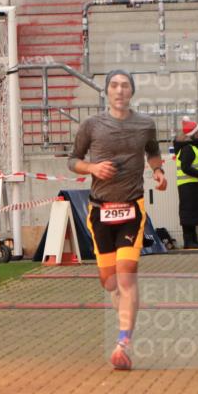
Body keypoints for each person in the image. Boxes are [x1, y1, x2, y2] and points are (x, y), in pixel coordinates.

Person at [68, 69, 166, 371]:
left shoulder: (145, 124)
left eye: (125, 85)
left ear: (132, 91)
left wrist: (158, 171)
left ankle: (124, 342)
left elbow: (153, 151)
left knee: (126, 276)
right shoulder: (91, 125)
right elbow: (73, 160)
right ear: (107, 91)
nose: (120, 90)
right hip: (100, 211)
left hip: (131, 209)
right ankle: (123, 324)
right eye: (114, 85)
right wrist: (93, 168)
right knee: (110, 282)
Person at [173, 116, 198, 249]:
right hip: (189, 186)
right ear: (193, 134)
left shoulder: (192, 148)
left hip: (192, 186)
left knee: (192, 213)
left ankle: (193, 240)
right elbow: (186, 168)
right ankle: (189, 241)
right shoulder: (188, 149)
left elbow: (197, 163)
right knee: (189, 213)